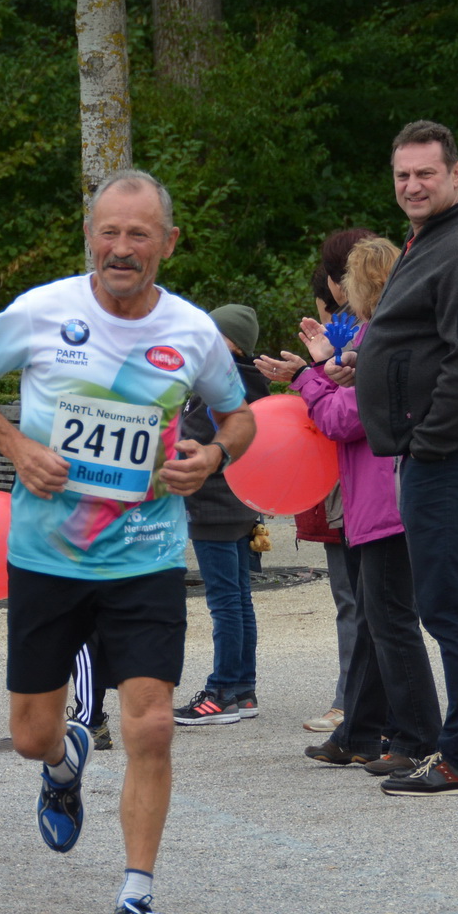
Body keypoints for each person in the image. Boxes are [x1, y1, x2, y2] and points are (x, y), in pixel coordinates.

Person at [0, 169, 254, 914]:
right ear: (91, 236)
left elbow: (240, 414)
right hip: (46, 556)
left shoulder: (191, 331)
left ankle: (136, 899)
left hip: (145, 556)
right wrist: (17, 448)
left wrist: (210, 455)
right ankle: (62, 760)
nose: (121, 248)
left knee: (151, 724)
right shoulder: (43, 311)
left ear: (168, 243)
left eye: (138, 234)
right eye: (109, 232)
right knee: (28, 732)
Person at [347, 120, 458, 796]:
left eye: (425, 173)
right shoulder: (431, 240)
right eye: (402, 175)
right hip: (439, 454)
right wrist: (370, 367)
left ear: (457, 174)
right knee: (445, 604)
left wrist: (430, 443)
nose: (412, 185)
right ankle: (457, 746)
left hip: (456, 457)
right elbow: (426, 343)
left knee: (452, 608)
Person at [263, 239, 442, 777]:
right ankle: (363, 732)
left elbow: (346, 417)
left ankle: (415, 736)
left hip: (385, 500)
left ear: (362, 284)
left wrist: (303, 380)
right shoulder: (375, 335)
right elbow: (345, 402)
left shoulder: (384, 337)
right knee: (374, 621)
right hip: (375, 499)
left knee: (389, 622)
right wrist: (318, 368)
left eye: (347, 280)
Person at [173, 304, 270, 726]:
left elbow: (193, 438)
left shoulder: (221, 384)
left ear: (229, 342)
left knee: (225, 602)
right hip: (239, 504)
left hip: (214, 502)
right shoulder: (250, 382)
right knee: (238, 598)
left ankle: (223, 690)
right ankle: (242, 689)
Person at [297, 230, 375, 735]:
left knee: (359, 600)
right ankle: (361, 706)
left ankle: (354, 704)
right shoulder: (366, 330)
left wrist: (307, 373)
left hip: (356, 486)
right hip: (367, 485)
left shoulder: (358, 331)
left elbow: (339, 415)